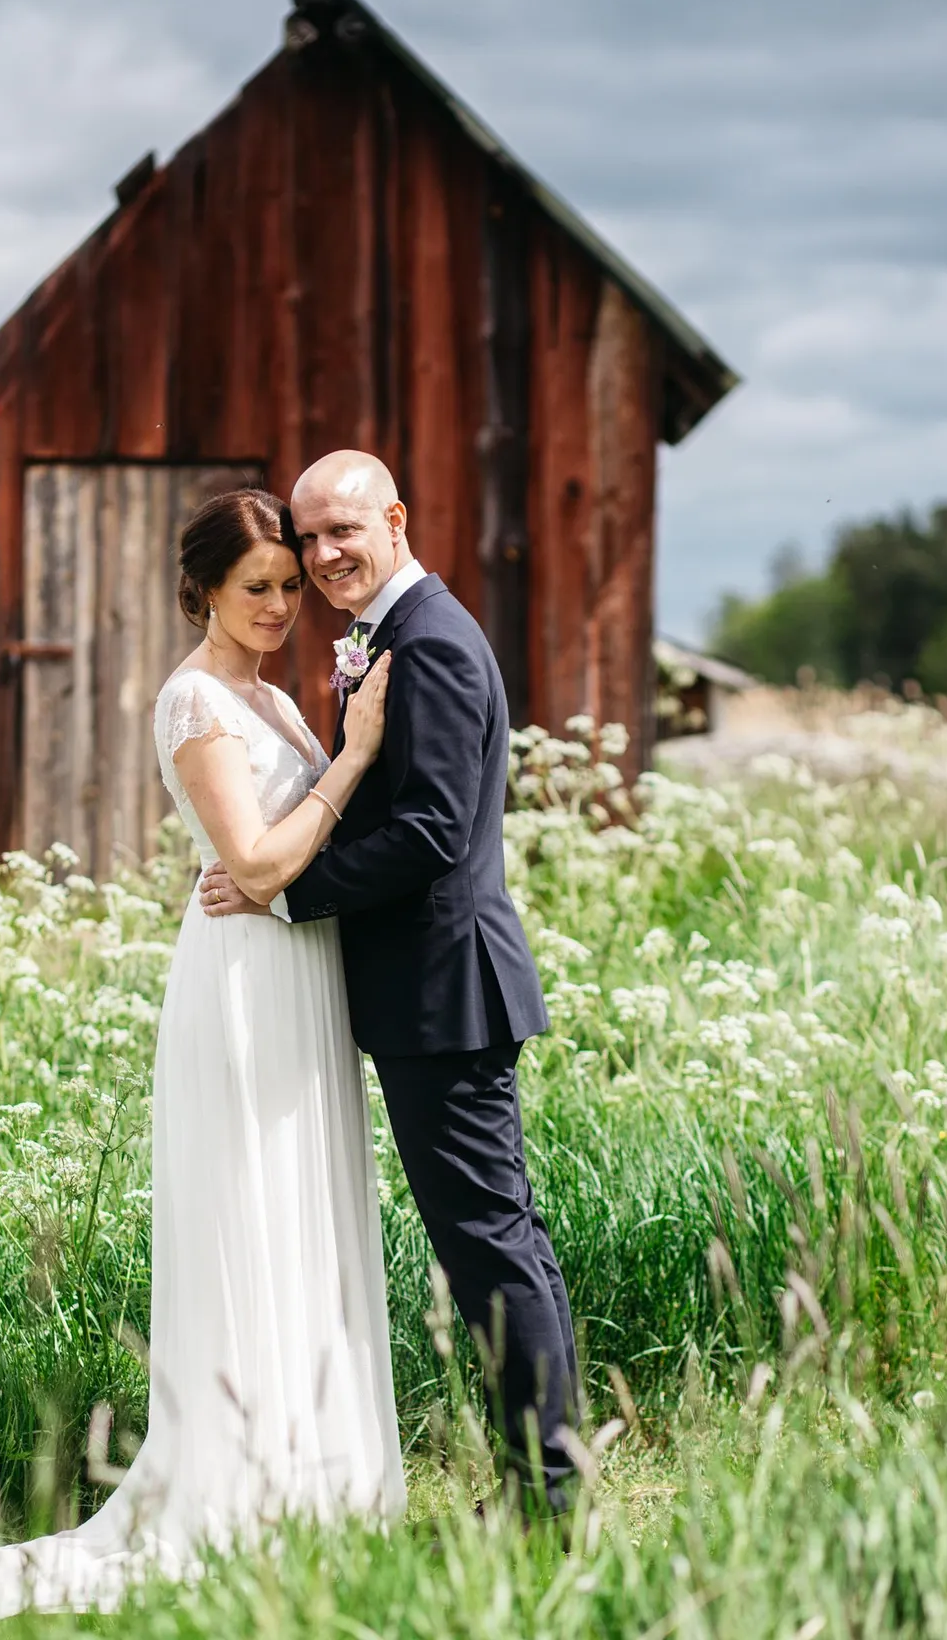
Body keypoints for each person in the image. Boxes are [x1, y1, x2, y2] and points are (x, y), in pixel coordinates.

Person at [0, 488, 405, 1625]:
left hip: (301, 974)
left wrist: (321, 790)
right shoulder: (193, 700)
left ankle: (318, 1479)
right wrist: (353, 755)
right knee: (254, 1215)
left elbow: (283, 859)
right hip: (244, 983)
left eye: (287, 586)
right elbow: (259, 865)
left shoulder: (267, 693)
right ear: (203, 588)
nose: (277, 606)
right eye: (254, 587)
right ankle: (242, 1489)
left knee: (305, 1208)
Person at [201, 450, 581, 1514]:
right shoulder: (394, 636)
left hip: (445, 992)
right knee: (497, 1237)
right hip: (426, 993)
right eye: (307, 539)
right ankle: (547, 1479)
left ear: (397, 519)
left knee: (490, 1246)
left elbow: (430, 833)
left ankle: (545, 1499)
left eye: (342, 532)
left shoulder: (436, 644)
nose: (322, 556)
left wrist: (285, 890)